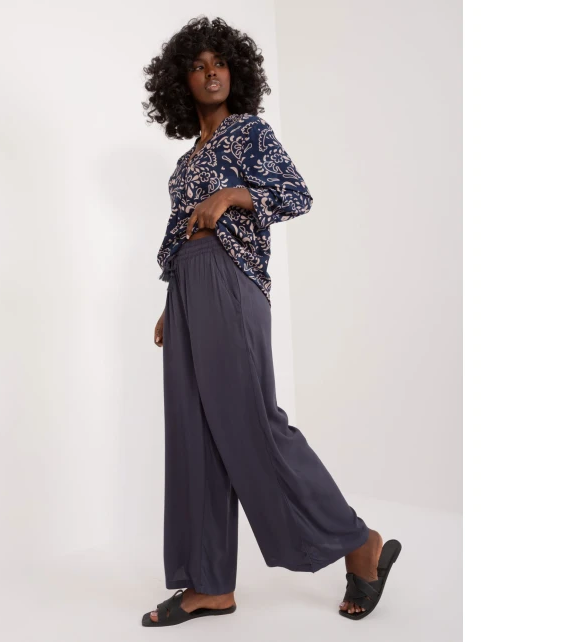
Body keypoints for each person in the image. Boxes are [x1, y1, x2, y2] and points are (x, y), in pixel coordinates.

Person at [141, 16, 401, 627]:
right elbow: (179, 234)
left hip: (230, 278)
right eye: (199, 66)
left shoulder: (248, 132)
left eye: (220, 63)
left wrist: (232, 196)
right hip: (188, 288)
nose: (212, 73)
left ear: (235, 72)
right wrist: (172, 302)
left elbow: (295, 193)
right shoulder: (185, 163)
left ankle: (358, 543)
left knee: (252, 423)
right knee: (194, 433)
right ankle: (210, 585)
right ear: (181, 82)